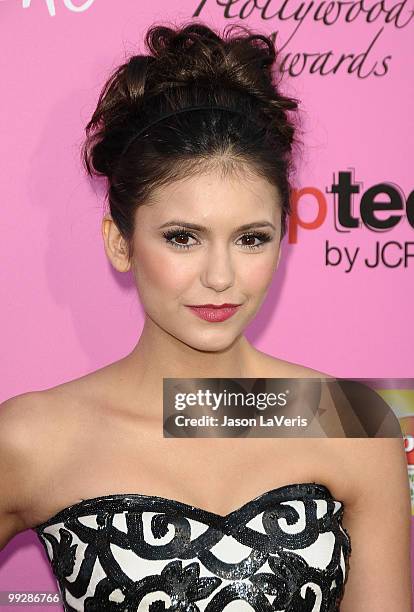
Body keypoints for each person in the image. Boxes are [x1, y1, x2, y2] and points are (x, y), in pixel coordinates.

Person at [0, 20, 411, 612]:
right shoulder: (35, 436)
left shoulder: (349, 421)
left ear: (283, 238)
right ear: (121, 242)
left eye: (250, 239)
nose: (220, 277)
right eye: (183, 237)